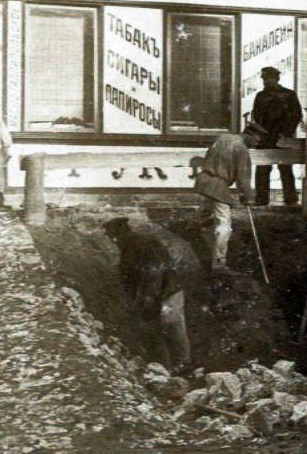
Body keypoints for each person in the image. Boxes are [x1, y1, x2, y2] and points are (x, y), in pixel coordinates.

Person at [104, 217, 202, 371]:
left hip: (167, 290)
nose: (113, 241)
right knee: (156, 328)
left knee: (171, 323)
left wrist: (149, 296)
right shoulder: (128, 247)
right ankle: (163, 366)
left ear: (121, 233)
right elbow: (129, 277)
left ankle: (184, 365)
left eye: (113, 237)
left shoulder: (142, 243)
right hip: (153, 293)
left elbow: (154, 271)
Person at [193, 130, 253, 271]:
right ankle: (219, 262)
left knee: (209, 205)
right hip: (217, 184)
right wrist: (246, 196)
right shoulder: (242, 149)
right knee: (224, 224)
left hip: (204, 179)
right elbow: (243, 177)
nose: (257, 142)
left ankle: (193, 227)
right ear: (249, 135)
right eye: (257, 138)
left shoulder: (222, 138)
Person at [245, 66, 304, 207]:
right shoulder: (260, 96)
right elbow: (257, 117)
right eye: (265, 79)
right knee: (263, 169)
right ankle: (261, 200)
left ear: (277, 78)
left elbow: (297, 115)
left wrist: (286, 133)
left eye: (269, 78)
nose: (267, 82)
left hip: (283, 138)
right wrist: (263, 132)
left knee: (286, 169)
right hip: (266, 137)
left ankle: (291, 200)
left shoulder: (289, 95)